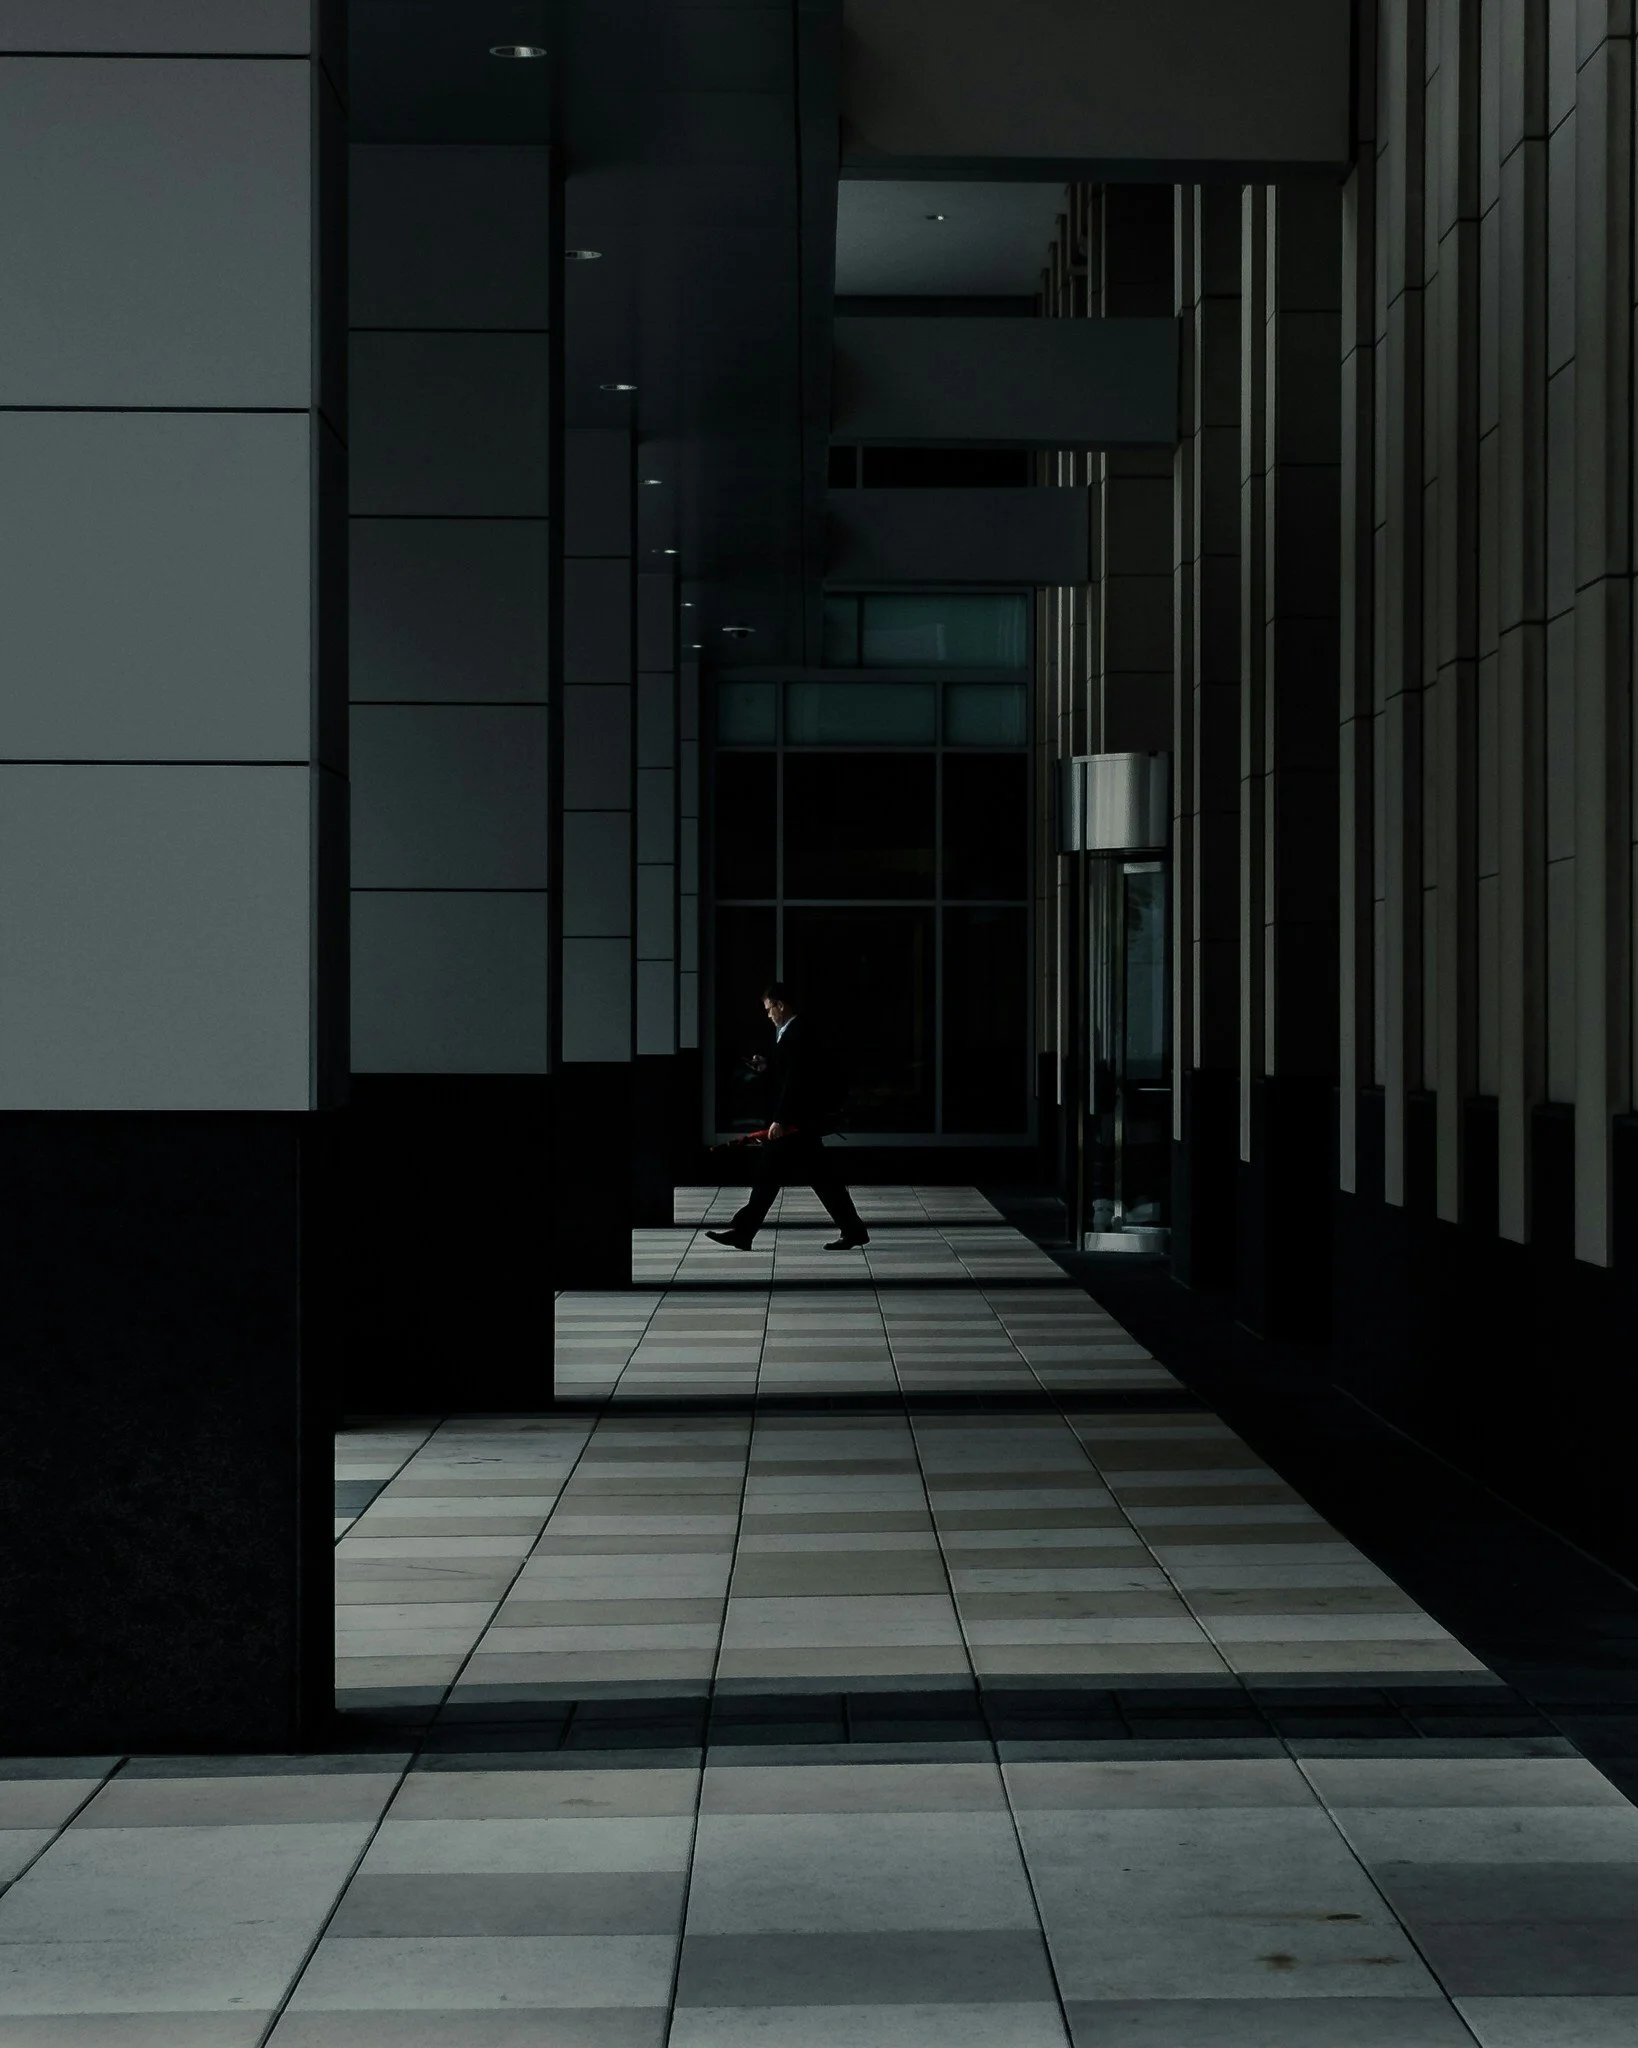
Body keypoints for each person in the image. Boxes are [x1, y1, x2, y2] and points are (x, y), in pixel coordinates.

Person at [707, 982, 869, 1252]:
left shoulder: (797, 1033)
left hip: (794, 1124)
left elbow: (797, 1081)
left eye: (770, 1009)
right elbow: (789, 1074)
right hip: (799, 1123)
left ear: (781, 1005)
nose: (768, 1014)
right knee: (815, 1178)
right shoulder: (792, 1032)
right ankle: (852, 1229)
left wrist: (780, 1119)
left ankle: (743, 1231)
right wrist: (768, 1066)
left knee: (773, 1176)